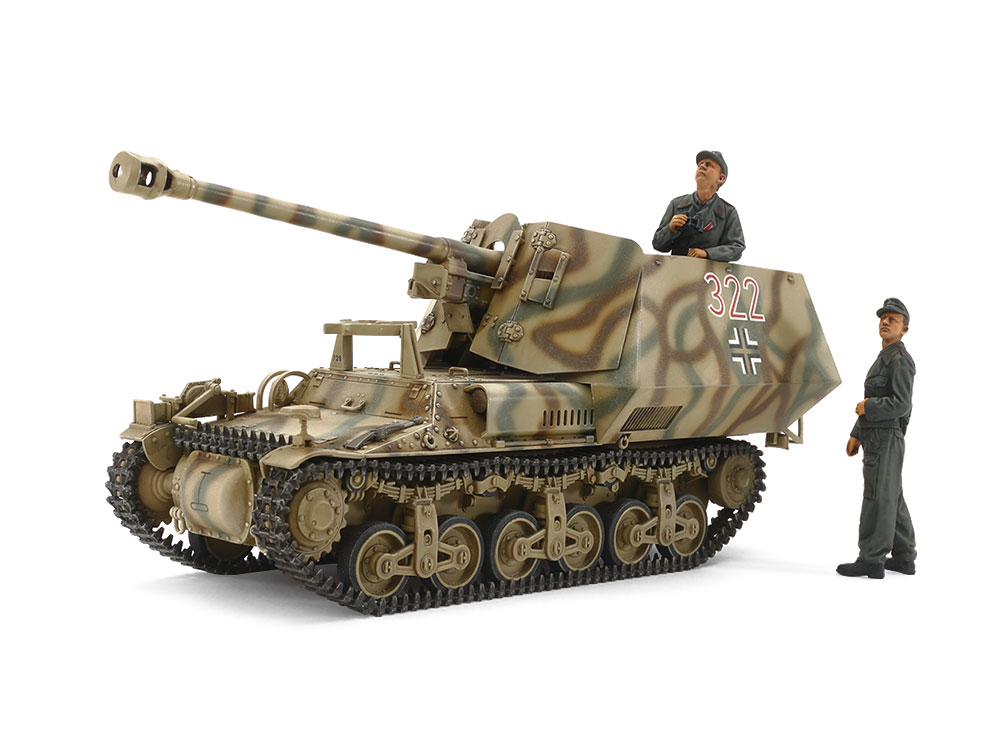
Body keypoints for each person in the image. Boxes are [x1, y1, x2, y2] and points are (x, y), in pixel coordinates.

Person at [837, 298, 917, 579]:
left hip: (886, 438)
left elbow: (901, 404)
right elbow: (874, 400)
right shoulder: (883, 358)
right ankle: (904, 557)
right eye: (883, 318)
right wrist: (857, 433)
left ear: (904, 329)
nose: (885, 322)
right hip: (875, 436)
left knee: (877, 497)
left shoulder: (900, 360)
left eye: (893, 319)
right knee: (892, 496)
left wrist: (868, 408)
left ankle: (871, 560)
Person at [652, 150, 745, 262]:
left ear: (721, 178)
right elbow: (658, 244)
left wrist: (707, 253)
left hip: (709, 271)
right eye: (700, 164)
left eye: (709, 165)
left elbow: (736, 248)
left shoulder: (728, 212)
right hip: (677, 268)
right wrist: (670, 229)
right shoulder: (677, 205)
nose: (702, 166)